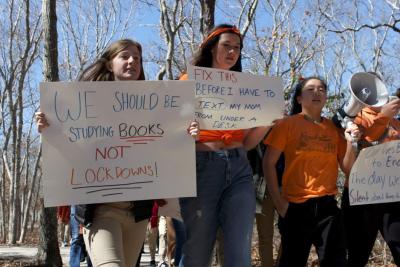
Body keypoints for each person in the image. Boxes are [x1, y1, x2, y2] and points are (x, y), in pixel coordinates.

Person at [35, 39, 199, 267]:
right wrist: (49, 129)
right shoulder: (82, 108)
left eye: (138, 58)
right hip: (100, 212)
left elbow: (167, 152)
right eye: (125, 56)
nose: (132, 61)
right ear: (110, 64)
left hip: (137, 214)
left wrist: (186, 135)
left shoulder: (156, 110)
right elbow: (70, 153)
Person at [178, 24, 270, 267]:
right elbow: (170, 133)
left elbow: (248, 142)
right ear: (211, 48)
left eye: (237, 48)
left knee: (239, 251)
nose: (232, 52)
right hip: (200, 167)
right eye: (226, 46)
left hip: (240, 168)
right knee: (197, 252)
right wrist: (185, 132)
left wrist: (267, 122)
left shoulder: (246, 89)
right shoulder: (187, 82)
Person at [262, 77, 360, 267]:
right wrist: (280, 203)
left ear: (325, 97)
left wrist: (351, 142)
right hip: (295, 208)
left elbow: (348, 169)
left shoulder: (334, 129)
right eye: (310, 89)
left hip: (328, 208)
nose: (317, 92)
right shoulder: (286, 124)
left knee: (337, 262)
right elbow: (268, 163)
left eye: (322, 89)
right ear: (299, 98)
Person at [341, 88, 400, 267]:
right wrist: (383, 117)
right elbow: (364, 142)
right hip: (361, 198)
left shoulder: (396, 123)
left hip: (392, 196)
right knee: (357, 255)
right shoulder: (353, 120)